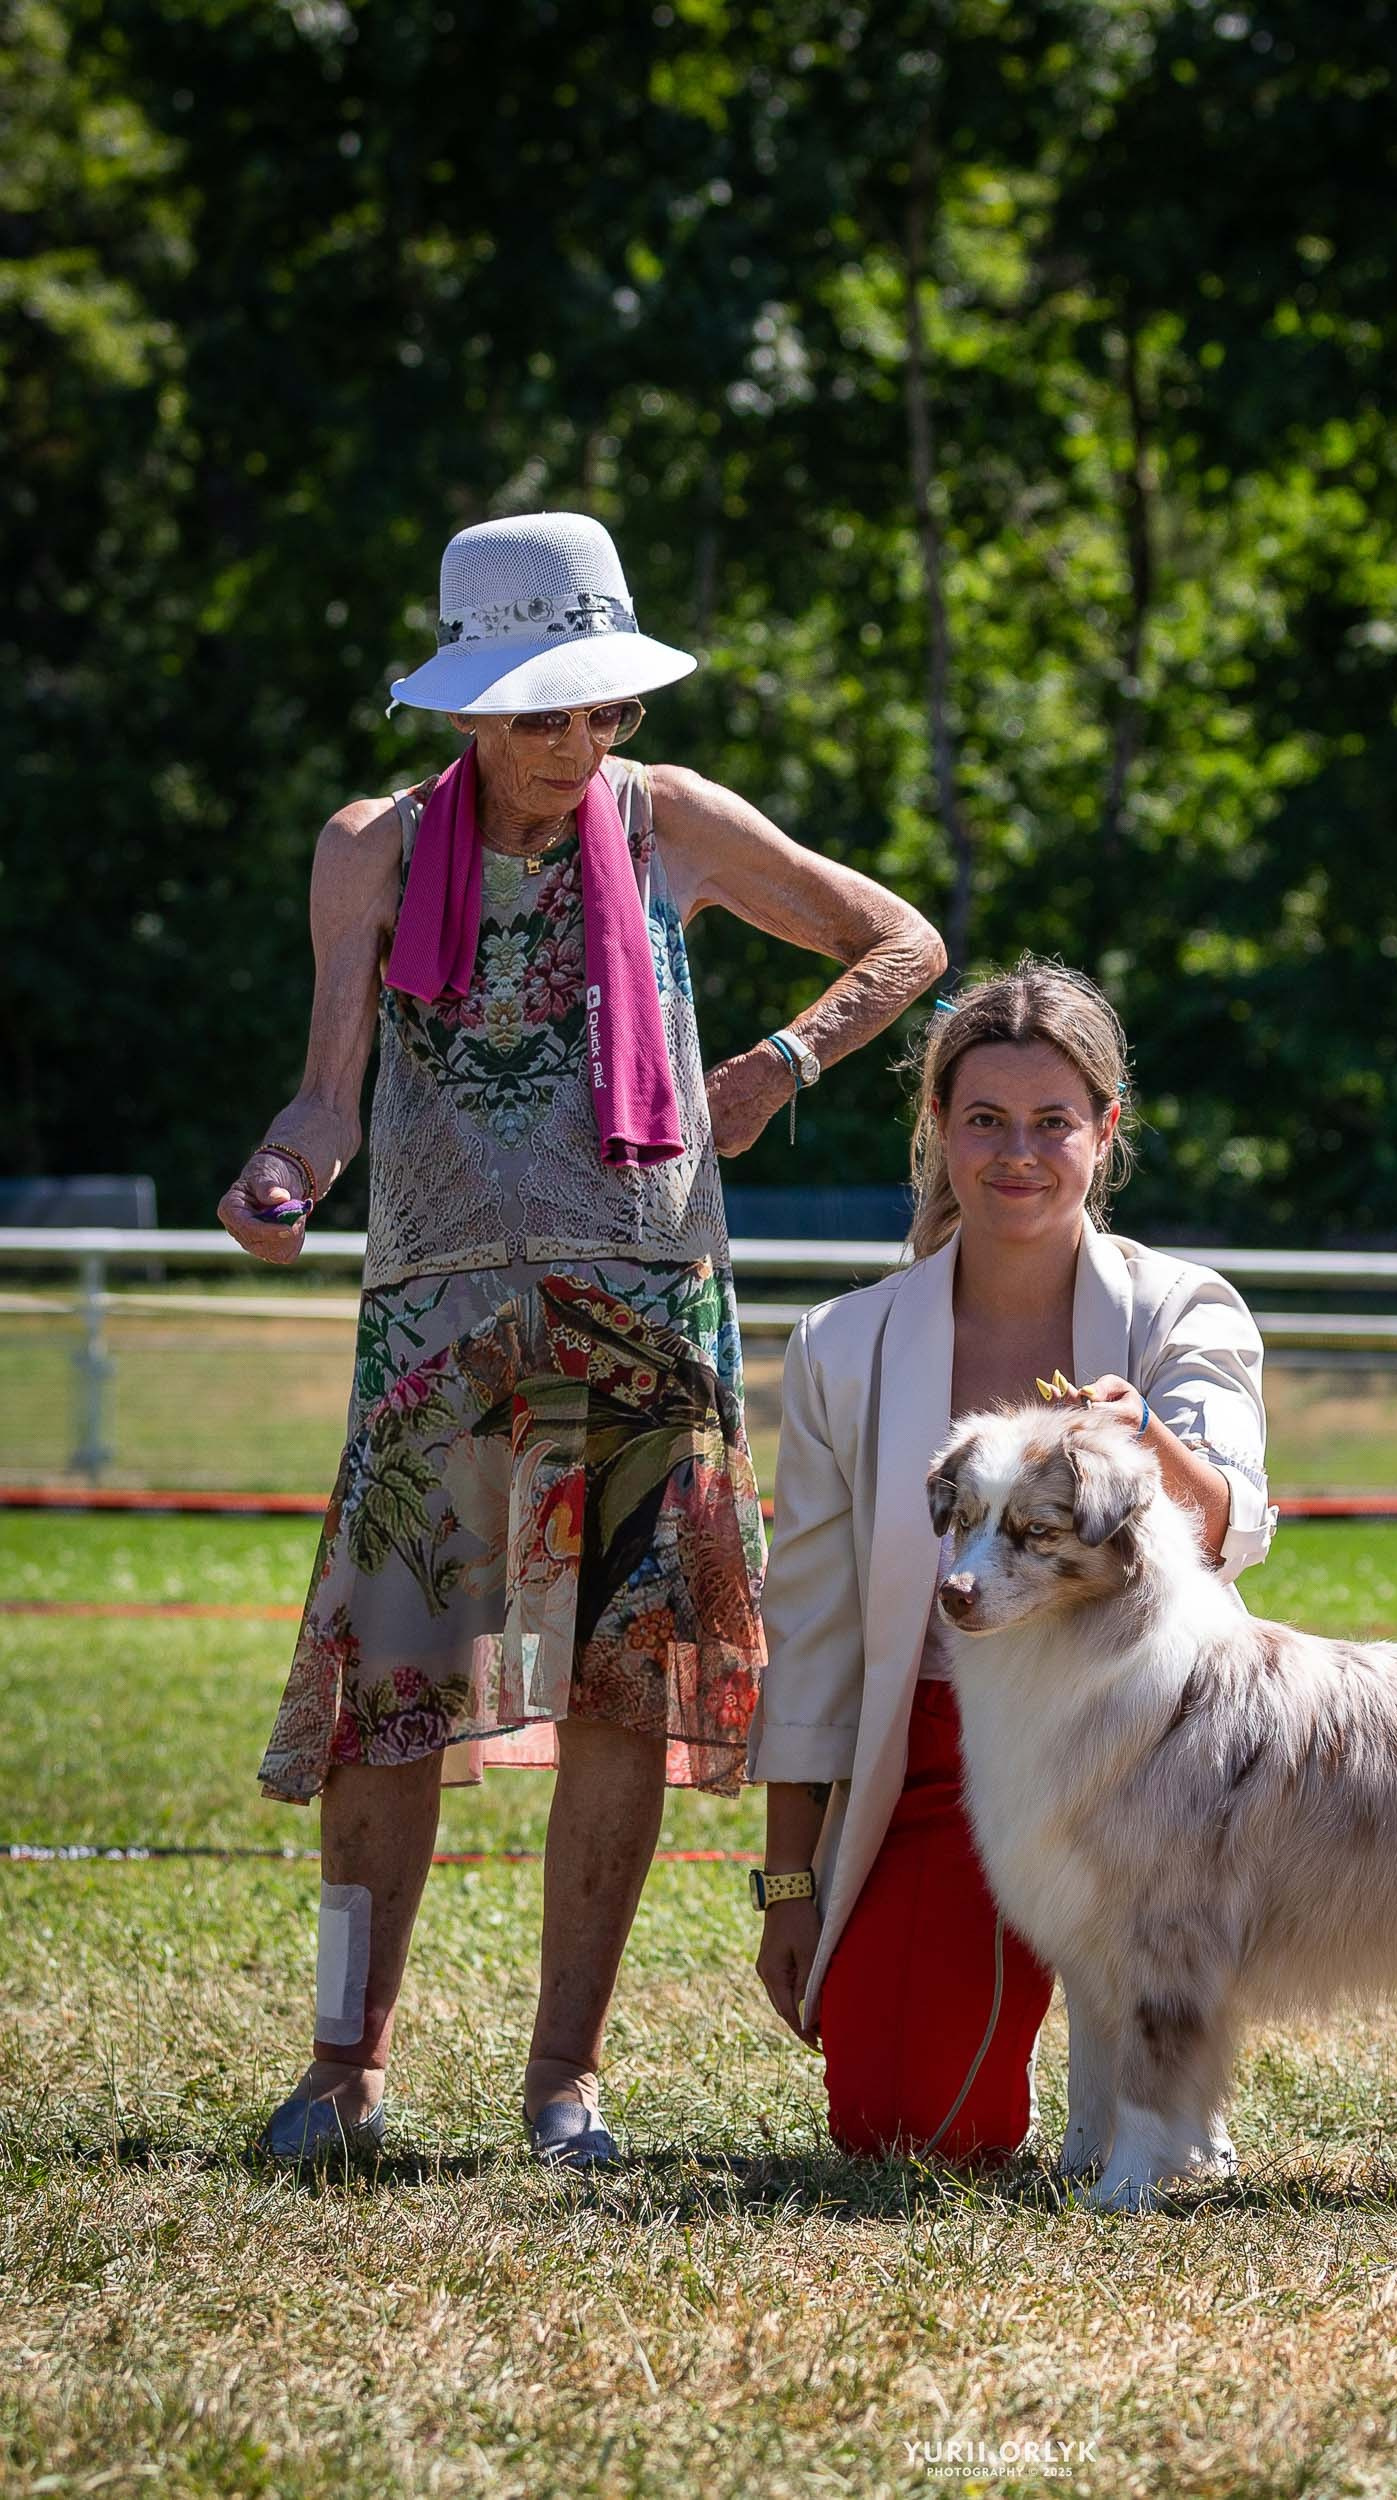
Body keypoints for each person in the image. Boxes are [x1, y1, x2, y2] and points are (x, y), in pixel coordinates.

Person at [218, 513, 944, 2165]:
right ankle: (346, 2067)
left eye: (601, 707)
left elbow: (903, 941)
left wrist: (780, 1064)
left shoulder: (670, 817)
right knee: (389, 1700)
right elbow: (330, 1097)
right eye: (544, 711)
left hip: (648, 1314)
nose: (580, 741)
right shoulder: (372, 848)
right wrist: (280, 1172)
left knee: (629, 1692)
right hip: (437, 1324)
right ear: (467, 708)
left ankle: (567, 2085)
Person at [744, 959, 1278, 2161]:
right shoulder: (842, 1345)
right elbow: (816, 1635)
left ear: (1106, 1130)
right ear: (936, 1127)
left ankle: (1153, 2090)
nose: (1016, 1154)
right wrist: (791, 1883)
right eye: (983, 1120)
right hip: (939, 1760)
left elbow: (1230, 1520)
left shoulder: (1184, 1308)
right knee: (902, 2129)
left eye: (1052, 1123)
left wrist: (1139, 1435)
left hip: (1139, 1761)